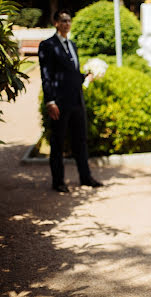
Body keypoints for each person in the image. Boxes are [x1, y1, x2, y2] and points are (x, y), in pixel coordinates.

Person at [39, 9, 103, 192]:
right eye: (63, 20)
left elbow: (72, 74)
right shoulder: (48, 45)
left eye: (69, 20)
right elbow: (46, 75)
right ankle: (58, 181)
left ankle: (86, 177)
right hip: (59, 102)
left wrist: (87, 76)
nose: (67, 23)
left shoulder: (72, 45)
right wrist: (50, 101)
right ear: (56, 23)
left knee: (80, 140)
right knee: (58, 142)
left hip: (77, 100)